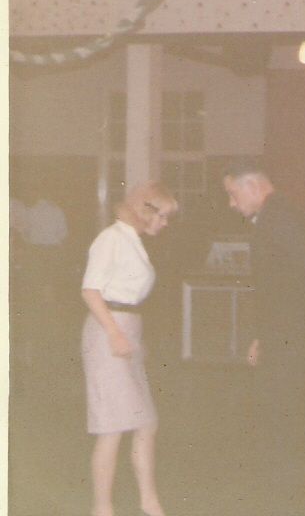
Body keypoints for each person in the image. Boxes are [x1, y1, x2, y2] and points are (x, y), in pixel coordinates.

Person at [222, 161, 305, 511]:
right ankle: (279, 483)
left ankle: (280, 489)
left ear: (253, 186)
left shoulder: (278, 218)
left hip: (291, 331)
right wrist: (262, 335)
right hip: (283, 330)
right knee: (277, 405)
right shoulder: (277, 215)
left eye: (233, 194)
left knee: (277, 405)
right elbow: (279, 282)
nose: (231, 203)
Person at [80, 181, 178, 516]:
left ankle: (150, 503)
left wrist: (132, 337)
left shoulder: (132, 240)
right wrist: (115, 333)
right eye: (162, 216)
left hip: (126, 330)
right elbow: (90, 290)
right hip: (108, 331)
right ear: (145, 211)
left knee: (145, 423)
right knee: (112, 428)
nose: (165, 223)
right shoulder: (111, 238)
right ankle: (102, 509)